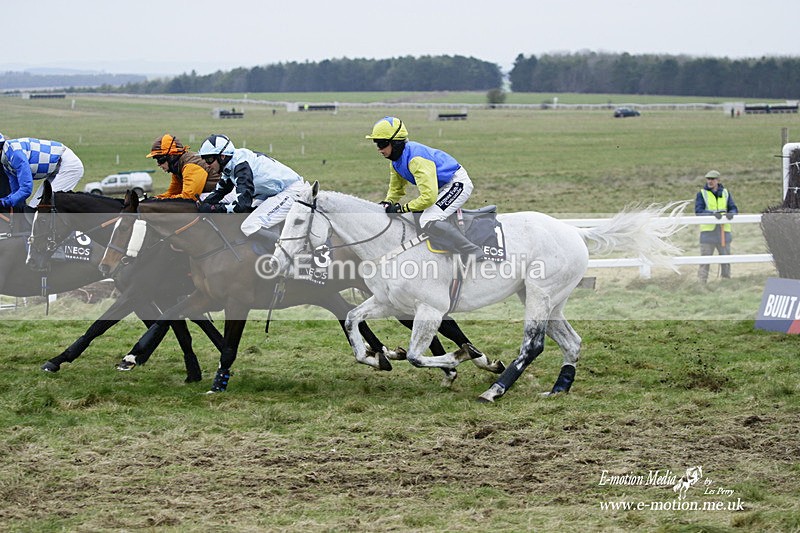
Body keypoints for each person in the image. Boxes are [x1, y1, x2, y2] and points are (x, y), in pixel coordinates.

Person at [366, 116, 484, 260]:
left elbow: (428, 197)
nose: (379, 149)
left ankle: (472, 250)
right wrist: (388, 202)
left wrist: (401, 209)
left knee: (428, 219)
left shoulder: (416, 160)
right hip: (441, 186)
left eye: (382, 143)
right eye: (376, 143)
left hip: (457, 183)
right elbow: (396, 188)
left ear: (395, 143)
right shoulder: (395, 161)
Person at [195, 133, 304, 241]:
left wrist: (213, 209)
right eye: (204, 159)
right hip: (271, 193)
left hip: (291, 191)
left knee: (249, 226)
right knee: (246, 219)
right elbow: (221, 190)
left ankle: (286, 254)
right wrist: (204, 204)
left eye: (209, 159)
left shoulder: (241, 167)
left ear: (222, 156)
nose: (207, 164)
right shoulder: (231, 163)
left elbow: (241, 206)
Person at [0, 133, 84, 208]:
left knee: (44, 207)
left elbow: (26, 189)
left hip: (69, 166)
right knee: (34, 206)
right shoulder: (6, 161)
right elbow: (16, 192)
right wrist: (4, 201)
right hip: (56, 168)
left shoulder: (15, 155)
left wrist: (4, 203)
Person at [146, 133, 220, 200]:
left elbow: (189, 198)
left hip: (228, 194)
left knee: (199, 200)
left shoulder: (191, 167)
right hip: (217, 194)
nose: (158, 164)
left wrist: (160, 201)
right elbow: (172, 193)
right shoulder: (177, 168)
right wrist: (155, 199)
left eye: (160, 160)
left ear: (171, 156)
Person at [695, 169, 738, 282]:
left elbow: (733, 208)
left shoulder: (725, 193)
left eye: (712, 179)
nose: (710, 181)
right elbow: (698, 211)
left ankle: (726, 281)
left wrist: (731, 214)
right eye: (708, 179)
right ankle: (702, 283)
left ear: (718, 180)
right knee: (705, 260)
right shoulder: (702, 194)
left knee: (726, 259)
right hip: (708, 233)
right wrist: (712, 214)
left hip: (723, 232)